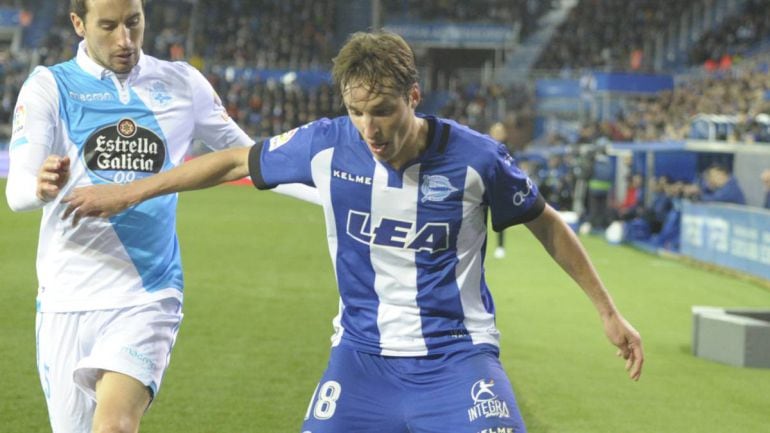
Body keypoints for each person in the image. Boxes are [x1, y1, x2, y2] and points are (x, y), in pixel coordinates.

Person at [62, 31, 644, 433]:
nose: (369, 127)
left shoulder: (478, 160)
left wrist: (607, 311)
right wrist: (130, 190)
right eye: (356, 111)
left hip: (457, 358)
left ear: (414, 98)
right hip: (361, 361)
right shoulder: (325, 144)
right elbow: (233, 161)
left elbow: (545, 223)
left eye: (384, 110)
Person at [4, 1, 313, 431]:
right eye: (108, 26)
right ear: (78, 24)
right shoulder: (50, 87)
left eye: (134, 23)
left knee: (113, 426)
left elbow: (253, 158)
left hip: (148, 294)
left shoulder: (182, 83)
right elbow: (16, 192)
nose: (125, 40)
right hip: (67, 299)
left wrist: (341, 190)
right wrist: (38, 188)